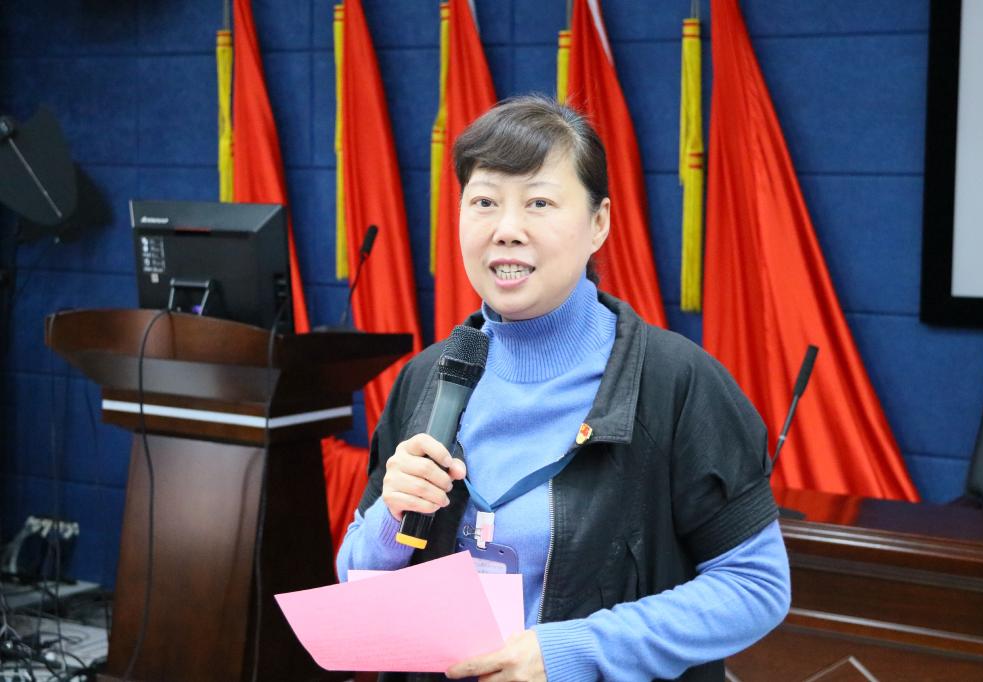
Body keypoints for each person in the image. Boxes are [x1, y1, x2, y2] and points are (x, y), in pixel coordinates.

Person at [337, 95, 790, 682]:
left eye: (539, 203)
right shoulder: (427, 378)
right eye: (484, 202)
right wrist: (390, 520)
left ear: (599, 223)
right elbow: (355, 579)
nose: (506, 230)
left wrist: (572, 652)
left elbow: (756, 586)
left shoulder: (675, 383)